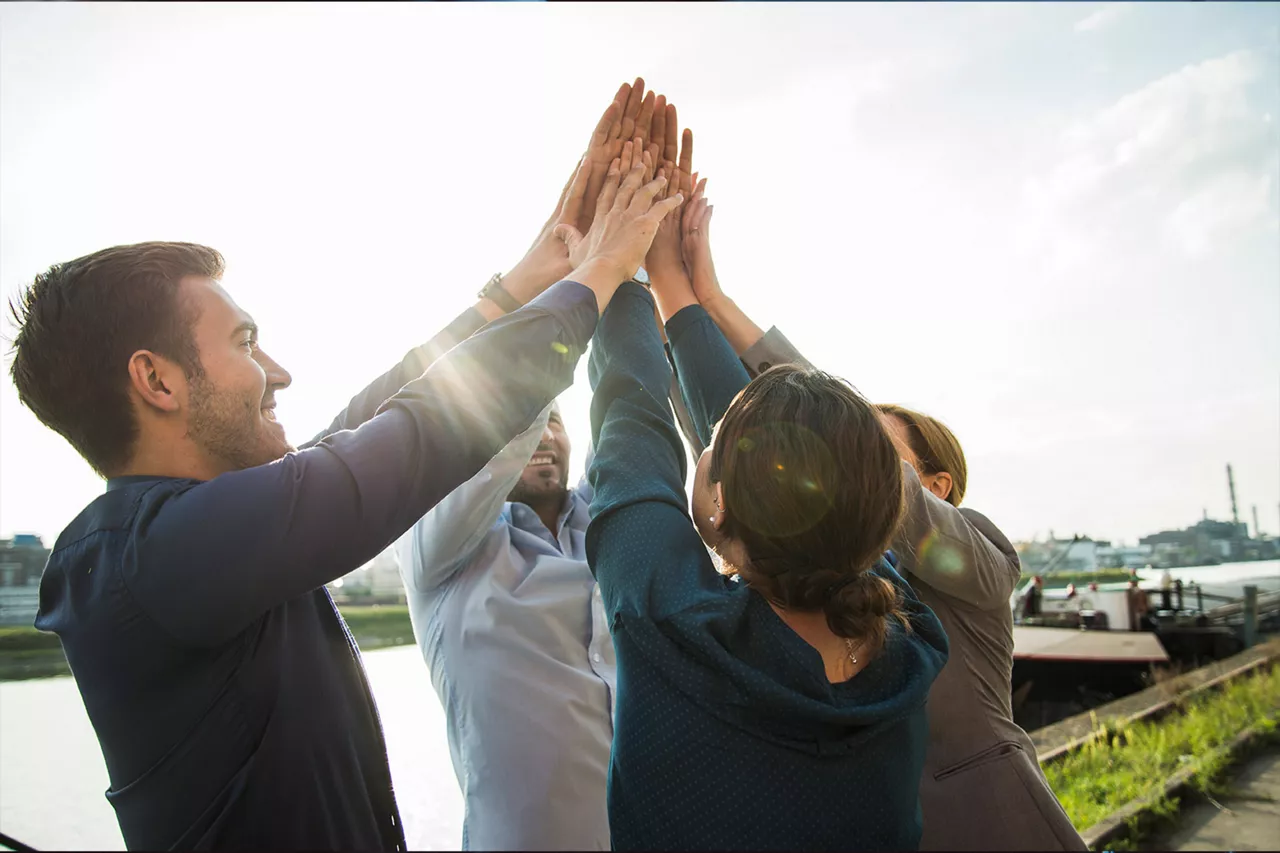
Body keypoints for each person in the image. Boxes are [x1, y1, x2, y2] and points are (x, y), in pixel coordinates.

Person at [8, 146, 680, 850]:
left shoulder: (200, 540)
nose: (280, 372)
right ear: (158, 380)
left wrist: (521, 283)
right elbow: (405, 437)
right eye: (246, 343)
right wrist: (600, 272)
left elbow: (365, 423)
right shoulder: (158, 556)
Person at [668, 183, 1086, 851]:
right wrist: (677, 300)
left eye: (874, 451)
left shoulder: (980, 562)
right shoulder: (824, 574)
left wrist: (715, 302)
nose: (846, 466)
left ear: (938, 484)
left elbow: (844, 444)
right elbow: (737, 461)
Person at [580, 171, 950, 850]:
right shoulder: (909, 641)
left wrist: (625, 259)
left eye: (714, 442)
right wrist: (672, 284)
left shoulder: (672, 623)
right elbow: (772, 461)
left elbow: (630, 409)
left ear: (721, 499)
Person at [393, 80, 693, 851]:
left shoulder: (614, 528)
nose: (541, 435)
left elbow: (648, 421)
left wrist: (665, 282)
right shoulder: (442, 548)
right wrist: (587, 264)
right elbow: (494, 407)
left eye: (554, 422)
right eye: (528, 423)